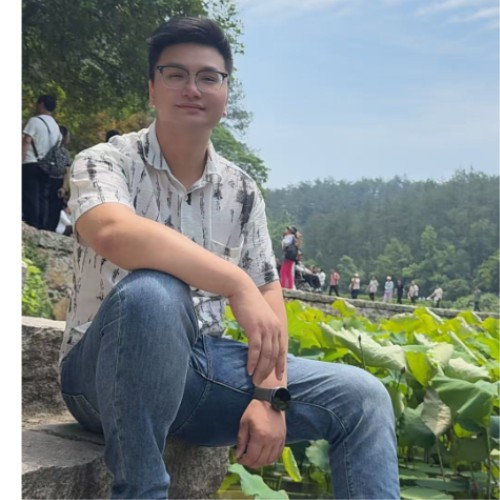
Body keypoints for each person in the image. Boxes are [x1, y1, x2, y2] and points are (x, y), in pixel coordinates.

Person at [59, 16, 399, 499]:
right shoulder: (104, 161)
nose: (192, 88)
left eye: (208, 77)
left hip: (201, 369)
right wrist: (233, 283)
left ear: (225, 92)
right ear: (152, 88)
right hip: (101, 376)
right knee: (155, 293)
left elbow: (267, 290)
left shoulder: (241, 190)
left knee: (363, 398)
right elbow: (113, 232)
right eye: (175, 74)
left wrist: (271, 394)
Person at [22, 94, 60, 229]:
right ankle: (41, 224)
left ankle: (31, 222)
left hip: (31, 162)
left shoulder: (34, 121)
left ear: (41, 104)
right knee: (42, 196)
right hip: (47, 165)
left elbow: (26, 141)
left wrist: (21, 158)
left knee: (30, 193)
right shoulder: (56, 126)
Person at [45, 125, 72, 231]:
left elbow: (66, 171)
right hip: (50, 181)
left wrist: (64, 187)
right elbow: (66, 171)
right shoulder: (55, 150)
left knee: (54, 210)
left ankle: (50, 228)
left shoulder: (64, 153)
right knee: (49, 209)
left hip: (57, 182)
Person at [279, 225, 299, 290]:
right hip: (292, 257)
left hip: (287, 257)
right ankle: (290, 286)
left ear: (290, 231)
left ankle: (282, 286)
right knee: (288, 273)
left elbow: (285, 244)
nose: (286, 230)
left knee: (283, 272)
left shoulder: (289, 237)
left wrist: (283, 238)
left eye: (287, 230)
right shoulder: (294, 238)